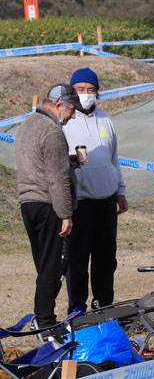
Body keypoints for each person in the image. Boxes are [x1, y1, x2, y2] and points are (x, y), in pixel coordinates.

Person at [62, 67, 127, 313]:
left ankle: (103, 306)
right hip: (81, 203)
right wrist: (76, 160)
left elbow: (114, 159)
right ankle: (76, 309)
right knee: (78, 259)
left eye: (91, 90)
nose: (86, 94)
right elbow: (64, 163)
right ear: (72, 92)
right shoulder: (66, 122)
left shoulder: (105, 120)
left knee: (106, 259)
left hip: (107, 202)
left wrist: (120, 191)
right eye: (80, 90)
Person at [16, 84, 80, 330]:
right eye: (71, 110)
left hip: (28, 203)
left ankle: (43, 316)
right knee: (53, 266)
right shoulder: (52, 132)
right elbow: (56, 179)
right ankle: (45, 321)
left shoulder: (27, 125)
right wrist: (65, 214)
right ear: (57, 104)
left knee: (44, 264)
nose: (72, 116)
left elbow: (38, 164)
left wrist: (69, 161)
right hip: (48, 205)